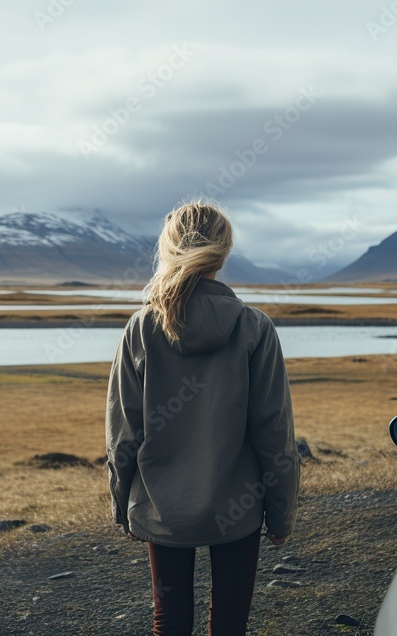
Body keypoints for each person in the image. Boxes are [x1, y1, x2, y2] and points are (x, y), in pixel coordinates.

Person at [105, 200, 300, 636]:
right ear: (224, 252)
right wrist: (281, 514)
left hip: (160, 507)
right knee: (230, 624)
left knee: (169, 622)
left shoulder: (141, 328)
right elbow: (274, 433)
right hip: (239, 508)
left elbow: (124, 434)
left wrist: (124, 506)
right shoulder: (255, 328)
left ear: (169, 249)